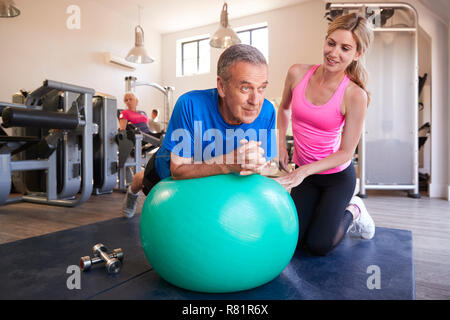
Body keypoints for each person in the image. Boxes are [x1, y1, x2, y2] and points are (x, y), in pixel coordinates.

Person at [122, 44, 277, 218]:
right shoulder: (190, 104)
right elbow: (178, 170)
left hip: (215, 179)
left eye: (262, 87)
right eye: (245, 88)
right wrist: (229, 163)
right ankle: (132, 192)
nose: (255, 101)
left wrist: (258, 166)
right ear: (222, 86)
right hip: (169, 174)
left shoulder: (268, 112)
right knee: (141, 179)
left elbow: (266, 165)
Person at [274, 13, 375, 256]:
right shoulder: (297, 73)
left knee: (319, 245)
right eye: (331, 43)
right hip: (305, 175)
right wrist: (280, 144)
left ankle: (355, 210)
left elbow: (346, 152)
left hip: (336, 178)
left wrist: (302, 171)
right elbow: (284, 108)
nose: (334, 53)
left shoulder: (354, 95)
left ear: (357, 54)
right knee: (294, 241)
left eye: (345, 48)